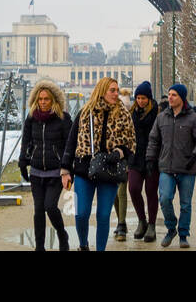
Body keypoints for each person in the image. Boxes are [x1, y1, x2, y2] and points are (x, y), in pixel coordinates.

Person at [61, 76, 136, 251]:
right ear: (102, 90)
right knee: (81, 213)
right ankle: (83, 244)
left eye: (117, 90)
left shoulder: (124, 113)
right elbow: (71, 142)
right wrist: (65, 170)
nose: (115, 93)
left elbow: (131, 143)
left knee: (103, 215)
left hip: (110, 170)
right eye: (112, 90)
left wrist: (119, 152)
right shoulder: (85, 112)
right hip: (84, 169)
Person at [145, 83, 196, 248]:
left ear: (182, 97)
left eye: (174, 95)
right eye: (169, 94)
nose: (170, 98)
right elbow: (154, 140)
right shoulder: (161, 118)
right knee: (165, 198)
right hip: (166, 167)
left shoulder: (194, 119)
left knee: (185, 204)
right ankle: (170, 227)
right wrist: (150, 159)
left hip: (187, 168)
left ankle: (183, 234)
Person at [19, 79, 72, 251]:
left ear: (54, 100)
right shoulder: (31, 119)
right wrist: (22, 160)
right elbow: (26, 141)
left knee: (50, 206)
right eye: (40, 99)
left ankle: (62, 234)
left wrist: (67, 169)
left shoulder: (63, 119)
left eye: (46, 99)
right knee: (38, 210)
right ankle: (39, 246)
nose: (42, 102)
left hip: (55, 172)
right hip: (36, 172)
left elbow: (69, 145)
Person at [128, 81, 160, 242]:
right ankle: (142, 220)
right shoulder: (131, 113)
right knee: (133, 189)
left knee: (150, 192)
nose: (140, 101)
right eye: (138, 98)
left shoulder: (157, 113)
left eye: (143, 98)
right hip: (135, 158)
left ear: (149, 98)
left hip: (152, 158)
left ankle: (152, 225)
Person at [114, 86, 134, 241]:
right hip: (110, 157)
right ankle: (121, 222)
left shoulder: (127, 115)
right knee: (114, 192)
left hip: (124, 156)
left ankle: (121, 224)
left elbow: (131, 137)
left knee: (121, 190)